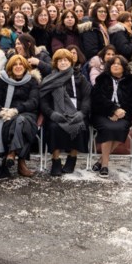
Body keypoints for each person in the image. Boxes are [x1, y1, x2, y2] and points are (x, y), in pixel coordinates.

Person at [42, 48, 92, 176]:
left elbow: (87, 98)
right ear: (55, 63)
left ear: (71, 62)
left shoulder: (80, 78)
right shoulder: (49, 79)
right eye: (60, 61)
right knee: (53, 127)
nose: (63, 63)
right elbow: (44, 101)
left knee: (81, 126)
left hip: (77, 112)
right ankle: (56, 160)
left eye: (66, 60)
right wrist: (52, 114)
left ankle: (72, 158)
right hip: (56, 113)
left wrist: (82, 113)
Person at [90, 57, 132, 178]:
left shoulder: (130, 81)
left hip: (124, 115)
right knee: (108, 128)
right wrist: (112, 111)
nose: (116, 66)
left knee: (120, 128)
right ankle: (105, 165)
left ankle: (101, 160)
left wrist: (122, 113)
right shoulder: (102, 79)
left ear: (124, 67)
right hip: (102, 114)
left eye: (119, 64)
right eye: (113, 64)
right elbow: (97, 99)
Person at [0, 54, 40, 178]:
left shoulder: (32, 80)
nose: (18, 67)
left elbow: (34, 101)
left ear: (25, 67)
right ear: (10, 67)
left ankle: (12, 153)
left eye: (21, 64)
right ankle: (21, 163)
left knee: (21, 120)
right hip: (6, 114)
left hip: (27, 113)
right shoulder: (2, 80)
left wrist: (16, 110)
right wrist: (0, 111)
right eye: (15, 64)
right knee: (19, 124)